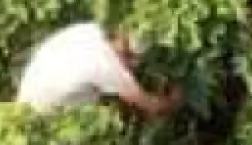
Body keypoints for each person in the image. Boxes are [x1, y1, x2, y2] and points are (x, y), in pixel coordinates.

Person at [16, 20, 178, 117]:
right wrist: (177, 97)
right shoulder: (107, 66)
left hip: (27, 102)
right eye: (131, 58)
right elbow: (153, 106)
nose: (133, 65)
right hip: (46, 123)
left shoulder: (91, 29)